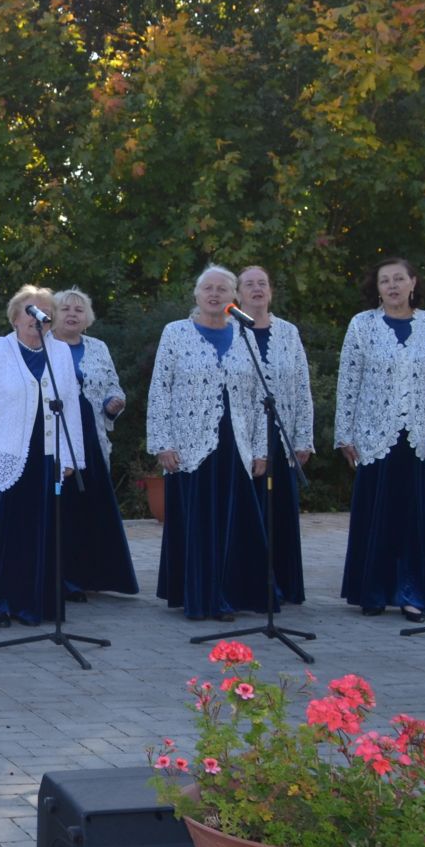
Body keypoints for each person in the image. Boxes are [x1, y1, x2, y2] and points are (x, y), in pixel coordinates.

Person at [335, 257, 425, 622]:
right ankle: (373, 592)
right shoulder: (362, 325)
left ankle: (416, 595)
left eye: (399, 279)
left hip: (424, 438)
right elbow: (348, 383)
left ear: (413, 283)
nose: (392, 286)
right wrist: (344, 434)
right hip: (375, 436)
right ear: (376, 288)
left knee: (418, 518)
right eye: (384, 281)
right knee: (378, 514)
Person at [146, 265, 272, 621]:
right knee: (198, 521)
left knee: (234, 522)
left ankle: (228, 595)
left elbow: (260, 395)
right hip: (189, 444)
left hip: (236, 443)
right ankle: (199, 596)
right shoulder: (176, 333)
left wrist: (261, 448)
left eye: (222, 289)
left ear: (233, 297)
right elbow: (160, 391)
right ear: (197, 295)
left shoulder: (245, 335)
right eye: (208, 289)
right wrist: (162, 443)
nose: (214, 295)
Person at [0, 285, 84, 626]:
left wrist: (69, 458)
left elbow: (69, 406)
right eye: (29, 311)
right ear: (14, 318)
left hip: (45, 459)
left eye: (43, 312)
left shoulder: (60, 354)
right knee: (3, 534)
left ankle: (33, 604)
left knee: (38, 534)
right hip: (3, 456)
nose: (36, 318)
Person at [49, 288, 140, 597]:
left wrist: (115, 401)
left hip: (92, 439)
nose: (73, 314)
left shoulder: (98, 347)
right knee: (62, 509)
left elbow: (113, 386)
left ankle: (94, 578)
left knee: (91, 509)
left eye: (79, 309)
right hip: (57, 440)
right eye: (65, 309)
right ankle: (60, 580)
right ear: (53, 315)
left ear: (87, 318)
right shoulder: (42, 346)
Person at [236, 266, 314, 604]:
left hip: (281, 438)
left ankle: (283, 584)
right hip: (242, 439)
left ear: (271, 291)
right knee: (249, 515)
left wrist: (303, 438)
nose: (256, 289)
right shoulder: (229, 330)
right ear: (237, 294)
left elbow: (301, 386)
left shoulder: (288, 332)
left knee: (279, 513)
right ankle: (251, 586)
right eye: (249, 284)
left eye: (262, 283)